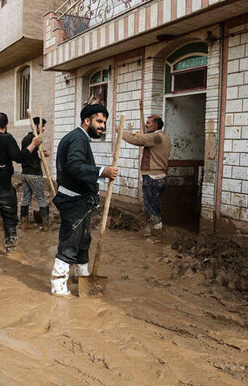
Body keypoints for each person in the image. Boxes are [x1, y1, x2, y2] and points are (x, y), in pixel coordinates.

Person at [50, 104, 118, 297]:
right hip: (73, 201)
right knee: (70, 242)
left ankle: (82, 276)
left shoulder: (79, 138)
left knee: (83, 240)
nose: (103, 126)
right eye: (99, 121)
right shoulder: (78, 139)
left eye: (104, 122)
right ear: (87, 121)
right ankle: (58, 285)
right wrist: (101, 171)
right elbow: (74, 165)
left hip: (80, 201)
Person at [0, 112, 42, 253]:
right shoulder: (7, 138)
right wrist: (33, 144)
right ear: (6, 125)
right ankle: (10, 250)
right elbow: (19, 157)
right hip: (3, 187)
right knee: (9, 218)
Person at [122, 115, 171, 238]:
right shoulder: (165, 137)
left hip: (152, 177)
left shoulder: (155, 137)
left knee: (152, 208)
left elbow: (136, 140)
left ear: (155, 126)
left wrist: (120, 131)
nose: (145, 125)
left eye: (148, 123)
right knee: (155, 205)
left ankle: (156, 237)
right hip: (159, 176)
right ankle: (153, 232)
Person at [20, 117, 50, 230]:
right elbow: (39, 155)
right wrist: (45, 154)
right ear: (37, 125)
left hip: (24, 173)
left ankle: (24, 222)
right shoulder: (38, 139)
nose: (44, 128)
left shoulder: (25, 138)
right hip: (34, 173)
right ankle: (46, 225)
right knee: (41, 198)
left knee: (26, 198)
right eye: (42, 126)